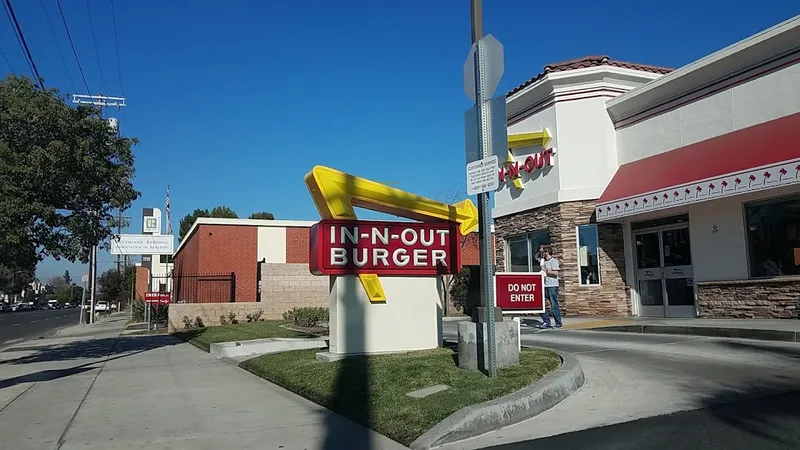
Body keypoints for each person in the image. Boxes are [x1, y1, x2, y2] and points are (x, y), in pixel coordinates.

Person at [537, 245, 562, 329]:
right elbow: (535, 257)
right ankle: (546, 321)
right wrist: (540, 251)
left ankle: (558, 322)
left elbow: (556, 273)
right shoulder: (542, 261)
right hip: (544, 285)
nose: (542, 253)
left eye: (543, 252)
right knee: (540, 304)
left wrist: (546, 271)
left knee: (554, 304)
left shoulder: (553, 261)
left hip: (552, 285)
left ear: (547, 252)